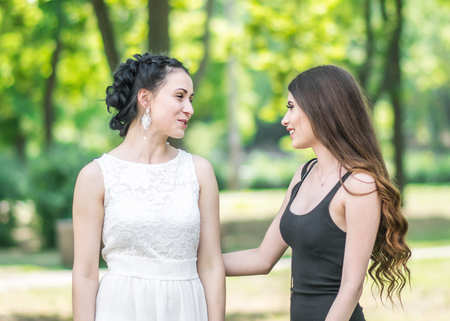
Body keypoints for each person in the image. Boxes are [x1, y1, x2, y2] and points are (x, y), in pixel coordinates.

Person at [223, 65, 411, 321]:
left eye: (291, 107)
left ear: (320, 108)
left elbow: (351, 286)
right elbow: (262, 258)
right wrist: (190, 264)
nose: (284, 120)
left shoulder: (359, 185)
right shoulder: (304, 173)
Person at [72, 53, 225, 321]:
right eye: (180, 96)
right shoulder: (95, 176)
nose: (189, 108)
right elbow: (85, 273)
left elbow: (211, 264)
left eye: (191, 99)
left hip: (186, 309)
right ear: (145, 99)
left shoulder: (199, 171)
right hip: (120, 308)